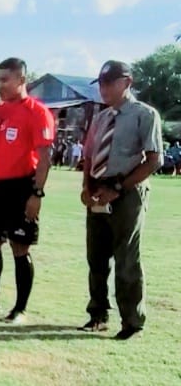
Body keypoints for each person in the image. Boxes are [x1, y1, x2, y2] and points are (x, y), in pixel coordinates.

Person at [80, 60, 163, 340]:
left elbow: (153, 160)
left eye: (109, 83)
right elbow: (89, 155)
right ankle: (98, 314)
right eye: (101, 83)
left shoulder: (144, 114)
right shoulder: (101, 117)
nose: (103, 89)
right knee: (96, 256)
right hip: (98, 190)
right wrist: (87, 186)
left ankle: (132, 322)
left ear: (127, 82)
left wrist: (118, 187)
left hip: (127, 192)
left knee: (126, 257)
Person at [0, 58, 55, 324]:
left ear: (21, 80)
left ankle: (20, 309)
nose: (0, 85)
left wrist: (36, 194)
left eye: (5, 79)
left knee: (20, 247)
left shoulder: (37, 112)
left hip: (21, 186)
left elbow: (45, 158)